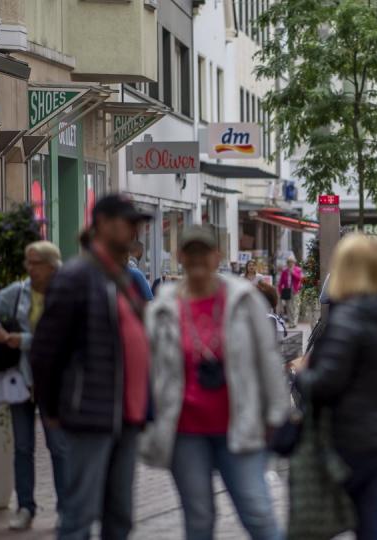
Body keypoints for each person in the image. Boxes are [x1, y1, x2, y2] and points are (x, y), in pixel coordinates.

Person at [141, 225, 287, 540]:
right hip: (185, 431)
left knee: (257, 512)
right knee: (198, 518)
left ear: (216, 256)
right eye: (190, 252)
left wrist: (277, 413)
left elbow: (268, 358)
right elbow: (150, 368)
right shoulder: (163, 308)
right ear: (180, 257)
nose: (197, 259)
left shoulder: (243, 299)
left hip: (240, 424)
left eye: (204, 252)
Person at [30, 194, 152, 540]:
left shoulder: (125, 280)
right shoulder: (76, 276)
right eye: (126, 222)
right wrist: (53, 408)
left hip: (126, 416)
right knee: (79, 514)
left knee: (120, 517)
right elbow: (46, 349)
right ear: (102, 225)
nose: (133, 230)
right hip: (89, 412)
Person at [292, 234, 377, 540]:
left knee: (318, 521)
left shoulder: (349, 317)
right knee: (371, 521)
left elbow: (326, 383)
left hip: (348, 435)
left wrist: (300, 373)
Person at [0, 241, 67, 531]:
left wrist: (22, 340)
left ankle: (66, 509)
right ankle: (25, 506)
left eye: (36, 262)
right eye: (28, 262)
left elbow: (62, 339)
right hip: (22, 381)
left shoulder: (64, 295)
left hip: (54, 382)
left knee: (59, 447)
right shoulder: (19, 291)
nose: (30, 268)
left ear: (52, 266)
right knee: (23, 447)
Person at [278, 255, 303, 324]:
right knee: (289, 307)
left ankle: (294, 322)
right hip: (287, 290)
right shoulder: (284, 271)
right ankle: (291, 322)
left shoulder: (298, 269)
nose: (290, 263)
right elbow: (281, 282)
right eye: (289, 262)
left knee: (295, 306)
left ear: (294, 262)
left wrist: (293, 273)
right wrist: (280, 291)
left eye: (292, 262)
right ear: (287, 263)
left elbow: (299, 279)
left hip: (296, 290)